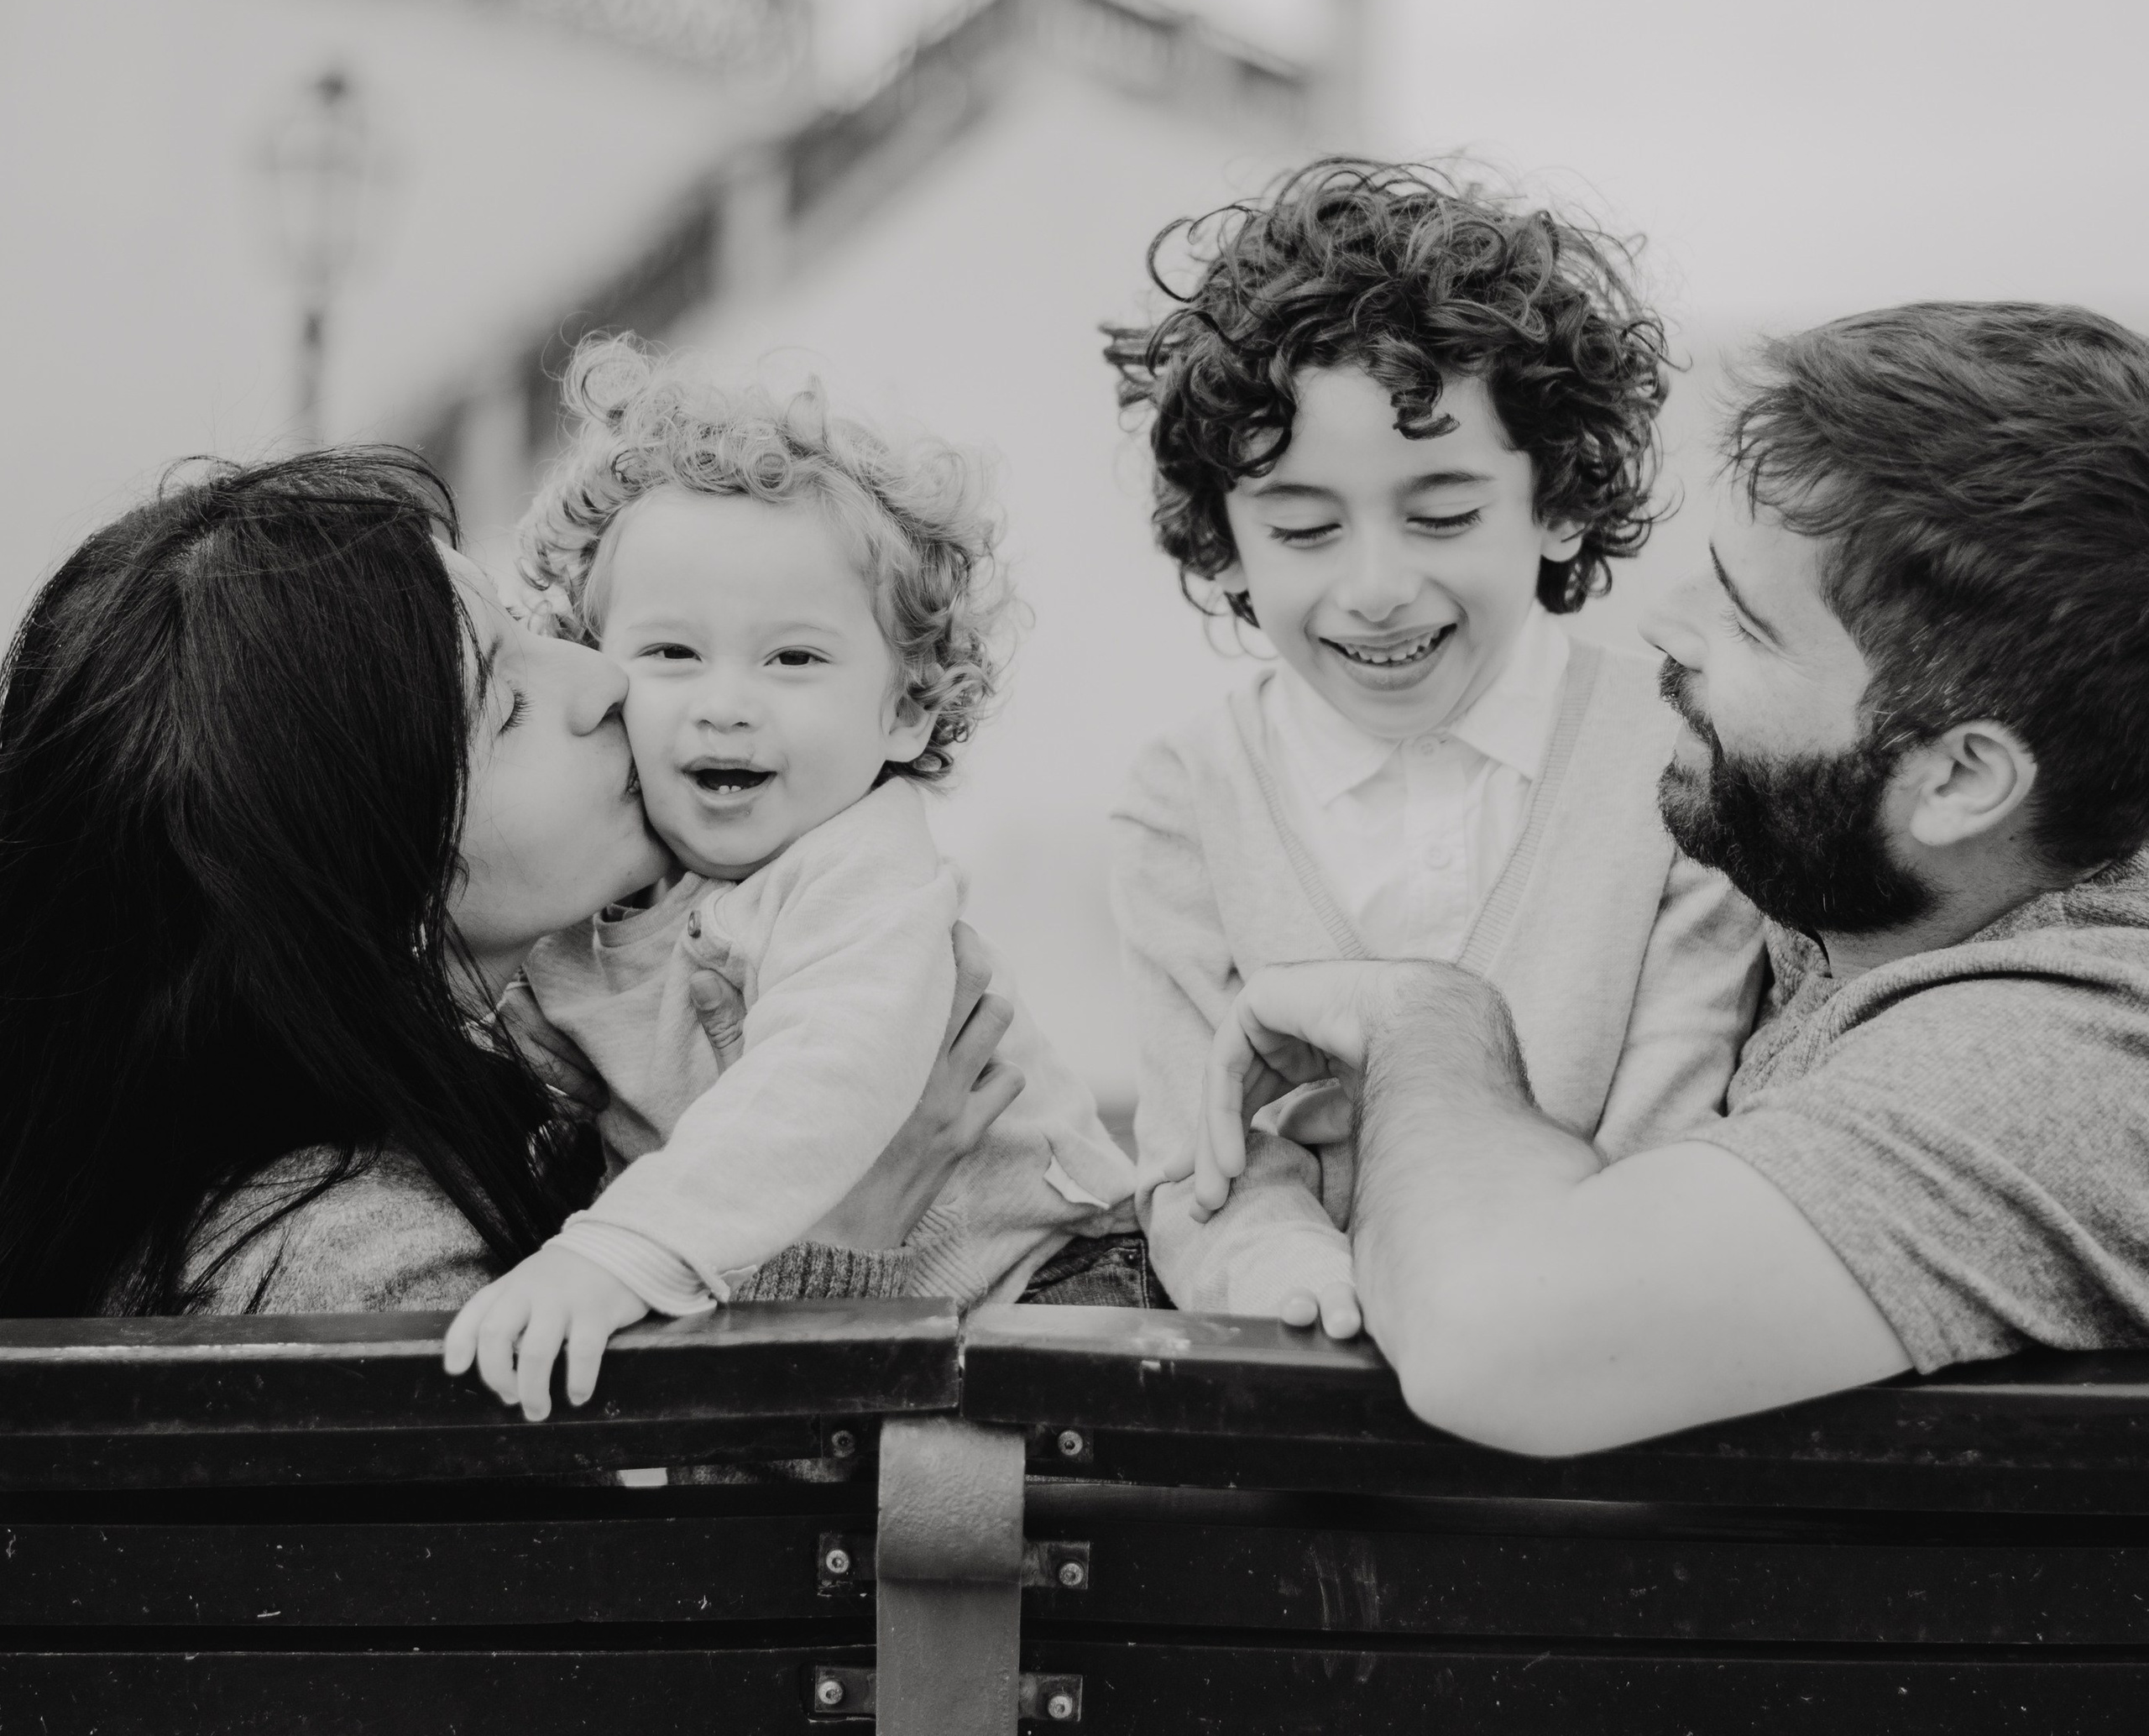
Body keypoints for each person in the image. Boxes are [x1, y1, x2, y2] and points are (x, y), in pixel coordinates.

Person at [1196, 299, 2149, 1454]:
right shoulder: (1854, 880)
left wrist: (1418, 1015)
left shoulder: (2061, 1063)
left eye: (1748, 626)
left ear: (1958, 781)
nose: (1668, 627)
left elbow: (1496, 1341)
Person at [0, 447, 1022, 1373]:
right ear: (375, 885)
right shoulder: (360, 1276)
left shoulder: (437, 1112)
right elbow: (660, 1565)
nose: (599, 677)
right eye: (508, 705)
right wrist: (841, 1232)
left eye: (528, 633)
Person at [1102, 161, 1763, 1336]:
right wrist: (1282, 1271)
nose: (1376, 589)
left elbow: (1670, 1149)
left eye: (1443, 517)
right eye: (1304, 528)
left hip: (1595, 1395)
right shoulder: (1184, 798)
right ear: (1227, 542)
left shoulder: (1672, 761)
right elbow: (1198, 1168)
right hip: (1296, 1413)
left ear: (1557, 500)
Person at [446, 342, 1138, 1419]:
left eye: (793, 660)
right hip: (843, 1314)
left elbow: (826, 1077)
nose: (727, 702)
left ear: (905, 708)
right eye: (672, 653)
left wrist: (620, 1247)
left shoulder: (861, 867)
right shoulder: (594, 900)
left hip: (1049, 1280)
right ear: (597, 661)